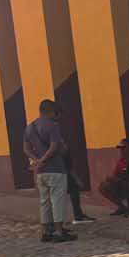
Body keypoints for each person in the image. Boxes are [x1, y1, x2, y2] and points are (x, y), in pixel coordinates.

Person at [23, 100, 76, 242]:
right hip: (56, 169)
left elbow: (26, 149)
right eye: (55, 113)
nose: (57, 116)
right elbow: (54, 147)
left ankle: (45, 231)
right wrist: (43, 160)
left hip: (41, 172)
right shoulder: (53, 126)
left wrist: (37, 160)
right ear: (50, 111)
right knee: (57, 200)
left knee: (44, 201)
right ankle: (59, 232)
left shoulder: (30, 127)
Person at [98, 138, 129, 216]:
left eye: (124, 148)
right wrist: (112, 179)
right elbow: (115, 175)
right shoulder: (121, 161)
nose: (121, 151)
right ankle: (123, 207)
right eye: (120, 149)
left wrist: (120, 181)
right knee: (104, 186)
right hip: (124, 185)